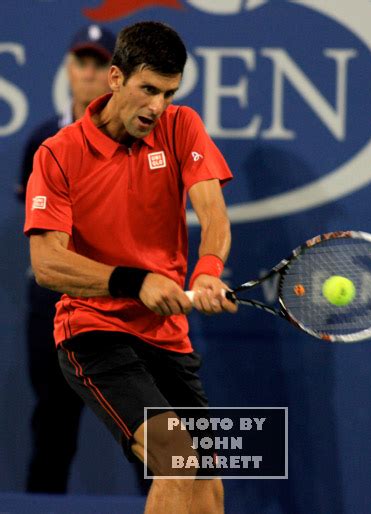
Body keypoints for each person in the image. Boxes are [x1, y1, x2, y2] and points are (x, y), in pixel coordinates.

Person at [24, 20, 237, 514]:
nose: (157, 106)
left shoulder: (181, 126)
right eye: (148, 89)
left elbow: (214, 214)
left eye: (168, 92)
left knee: (207, 484)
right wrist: (132, 281)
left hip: (168, 336)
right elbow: (46, 264)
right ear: (115, 79)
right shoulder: (57, 154)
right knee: (176, 456)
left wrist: (207, 268)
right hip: (94, 332)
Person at [17, 24, 116, 493]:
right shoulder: (42, 141)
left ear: (116, 76)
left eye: (100, 64)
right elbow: (43, 245)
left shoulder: (141, 143)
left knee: (152, 440)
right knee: (52, 434)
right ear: (69, 69)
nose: (89, 74)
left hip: (123, 312)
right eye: (82, 62)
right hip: (54, 310)